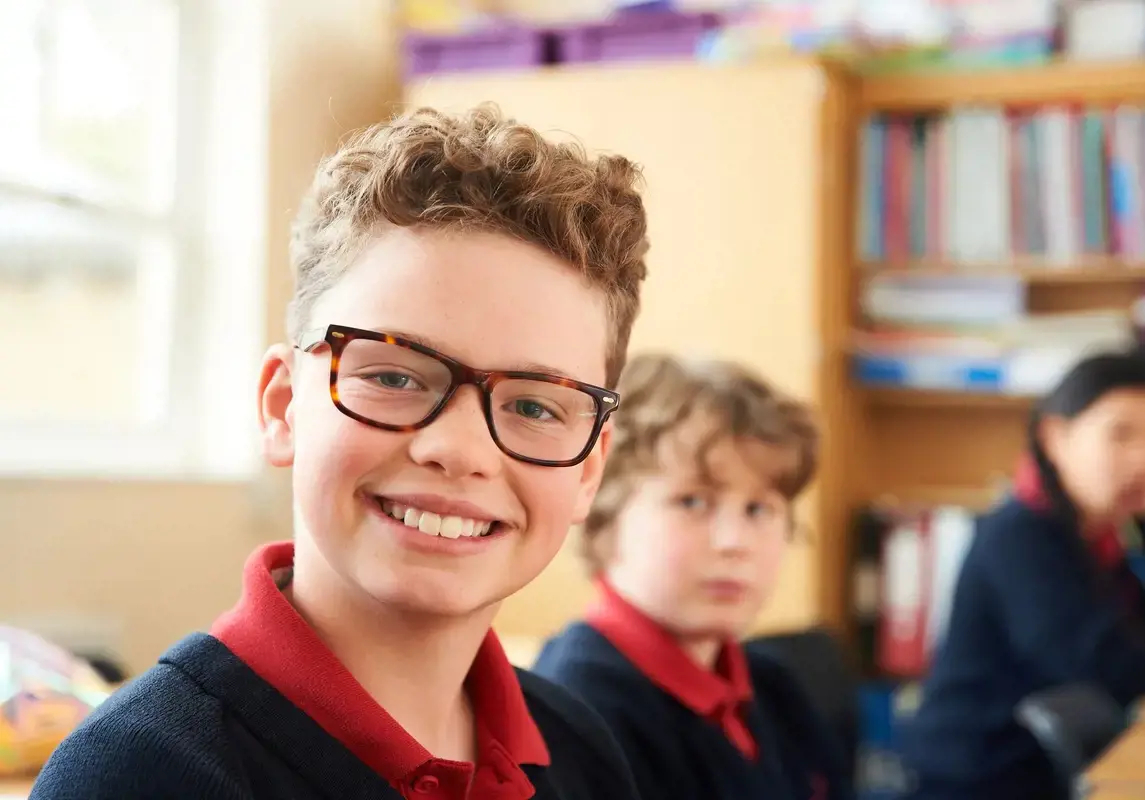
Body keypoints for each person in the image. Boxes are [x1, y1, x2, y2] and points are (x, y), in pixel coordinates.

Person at [30, 105, 649, 800]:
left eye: (535, 405)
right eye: (392, 375)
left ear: (590, 468)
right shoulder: (135, 778)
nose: (457, 448)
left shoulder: (580, 748)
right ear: (283, 405)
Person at [532, 353, 853, 800]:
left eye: (759, 509)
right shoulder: (579, 711)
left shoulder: (776, 688)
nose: (734, 541)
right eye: (693, 502)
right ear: (602, 509)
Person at [900, 350, 1145, 800]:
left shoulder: (1100, 534)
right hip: (979, 775)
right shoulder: (1019, 535)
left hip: (1047, 767)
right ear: (1054, 437)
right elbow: (1101, 664)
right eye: (1121, 434)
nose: (1141, 459)